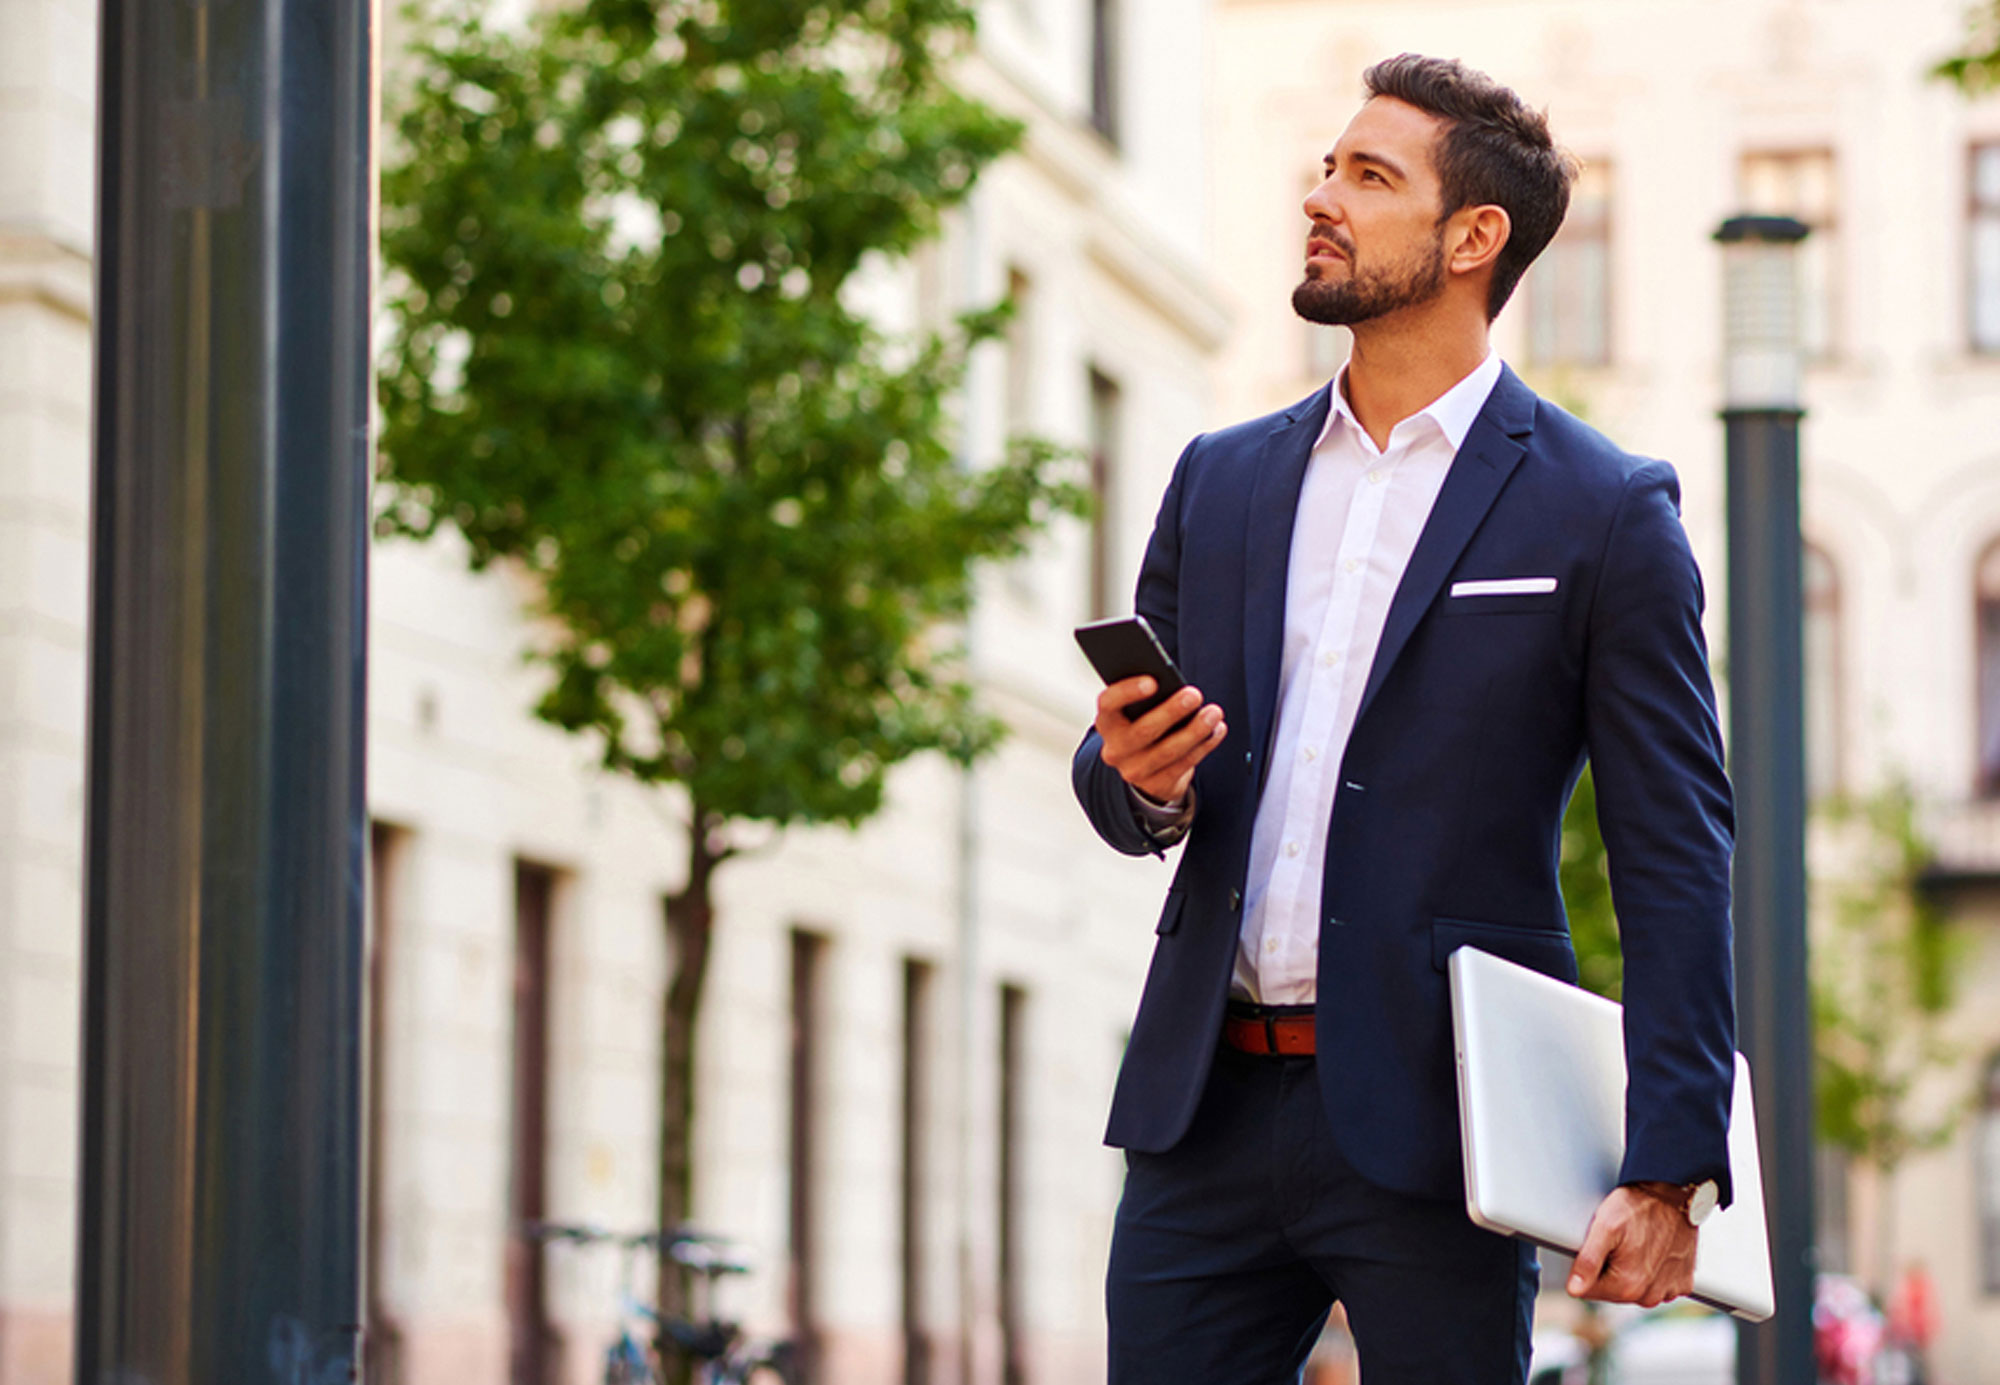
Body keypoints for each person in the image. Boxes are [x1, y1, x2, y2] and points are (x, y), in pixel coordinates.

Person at [1071, 54, 1738, 1385]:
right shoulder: (1221, 480)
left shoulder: (1603, 510)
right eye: (1328, 166)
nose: (1322, 197)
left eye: (1370, 178)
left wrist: (1669, 1163)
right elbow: (1127, 781)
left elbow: (1675, 849)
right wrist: (1137, 777)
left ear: (1473, 237)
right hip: (1200, 1116)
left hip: (1442, 1126)